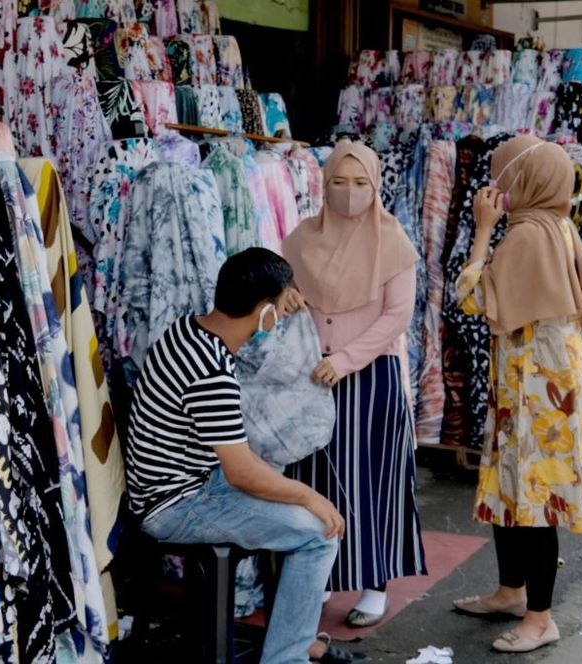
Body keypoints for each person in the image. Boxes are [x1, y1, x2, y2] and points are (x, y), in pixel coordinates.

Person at [125, 248, 363, 664]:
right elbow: (240, 473)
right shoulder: (211, 371)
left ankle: (296, 639)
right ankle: (287, 658)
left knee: (282, 485)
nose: (288, 313)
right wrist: (308, 496)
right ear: (266, 312)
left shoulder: (185, 330)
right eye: (283, 305)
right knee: (320, 532)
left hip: (180, 483)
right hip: (174, 504)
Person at [450, 136, 582, 653]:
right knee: (513, 488)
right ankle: (510, 592)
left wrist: (482, 231)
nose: (494, 187)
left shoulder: (525, 234)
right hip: (537, 377)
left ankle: (540, 617)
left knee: (535, 497)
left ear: (523, 180)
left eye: (502, 176)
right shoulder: (552, 223)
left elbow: (471, 297)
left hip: (537, 385)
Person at [282, 140, 427, 628]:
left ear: (376, 185)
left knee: (371, 482)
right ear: (324, 185)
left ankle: (375, 584)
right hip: (311, 377)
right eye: (339, 183)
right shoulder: (301, 239)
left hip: (369, 380)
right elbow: (288, 298)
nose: (349, 193)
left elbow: (396, 317)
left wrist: (344, 359)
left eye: (361, 183)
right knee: (314, 479)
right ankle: (320, 574)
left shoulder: (394, 241)